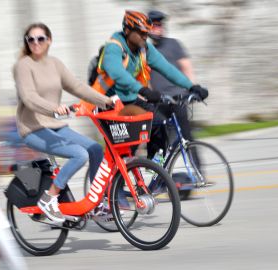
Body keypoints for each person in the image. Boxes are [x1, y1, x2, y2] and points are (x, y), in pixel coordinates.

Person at [14, 23, 116, 223]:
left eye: (40, 38)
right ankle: (49, 198)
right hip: (33, 128)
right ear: (27, 42)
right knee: (79, 154)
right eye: (31, 39)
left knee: (95, 149)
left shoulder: (55, 64)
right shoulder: (23, 65)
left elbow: (77, 87)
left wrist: (105, 101)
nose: (35, 43)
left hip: (55, 125)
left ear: (49, 40)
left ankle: (96, 203)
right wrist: (53, 108)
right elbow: (29, 97)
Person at [97, 10, 209, 158]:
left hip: (129, 100)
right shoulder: (114, 47)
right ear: (127, 30)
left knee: (161, 123)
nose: (145, 36)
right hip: (109, 103)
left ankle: (156, 169)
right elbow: (117, 73)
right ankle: (119, 172)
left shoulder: (144, 48)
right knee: (130, 141)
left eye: (147, 33)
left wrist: (191, 86)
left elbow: (167, 69)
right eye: (141, 33)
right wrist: (142, 90)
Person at [147, 10, 198, 152]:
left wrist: (191, 90)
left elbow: (187, 68)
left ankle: (198, 172)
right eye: (154, 25)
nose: (158, 28)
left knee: (187, 139)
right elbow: (145, 78)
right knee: (158, 142)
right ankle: (156, 173)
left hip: (178, 99)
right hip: (159, 102)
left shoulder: (174, 44)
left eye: (160, 25)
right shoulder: (144, 50)